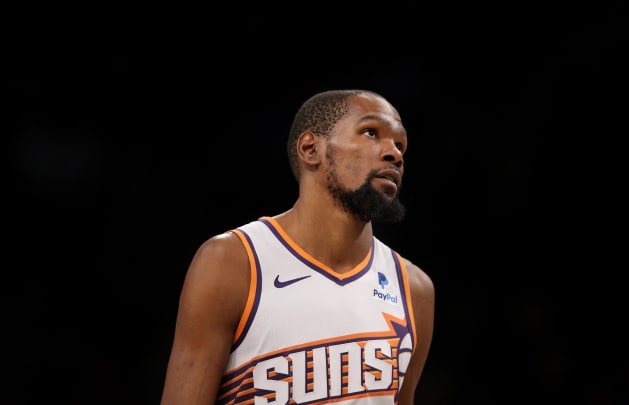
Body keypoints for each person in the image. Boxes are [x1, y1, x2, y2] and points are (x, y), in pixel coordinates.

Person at [160, 89, 435, 405]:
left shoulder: (414, 289)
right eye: (371, 133)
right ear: (310, 148)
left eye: (400, 145)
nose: (394, 153)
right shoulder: (233, 262)